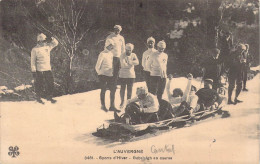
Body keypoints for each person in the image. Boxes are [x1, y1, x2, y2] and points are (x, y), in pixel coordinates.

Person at [31, 33, 59, 104]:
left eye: (45, 41)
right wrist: (34, 71)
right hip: (39, 70)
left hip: (48, 69)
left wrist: (52, 38)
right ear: (39, 41)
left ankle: (49, 97)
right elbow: (33, 61)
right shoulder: (34, 50)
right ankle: (38, 98)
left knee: (50, 83)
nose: (44, 42)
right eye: (43, 41)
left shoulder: (47, 47)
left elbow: (56, 43)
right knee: (39, 84)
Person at [95, 39, 120, 112]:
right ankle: (103, 105)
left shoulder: (111, 54)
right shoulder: (102, 54)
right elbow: (97, 66)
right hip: (103, 75)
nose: (111, 47)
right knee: (103, 90)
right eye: (110, 46)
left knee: (113, 90)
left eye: (112, 46)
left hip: (110, 75)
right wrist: (100, 73)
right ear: (107, 45)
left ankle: (112, 106)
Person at [119, 43, 139, 108]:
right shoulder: (122, 55)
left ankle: (128, 102)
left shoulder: (133, 55)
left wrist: (129, 62)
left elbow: (137, 62)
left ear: (132, 50)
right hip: (123, 75)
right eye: (127, 50)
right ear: (125, 49)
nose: (128, 51)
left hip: (131, 75)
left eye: (130, 50)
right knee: (122, 89)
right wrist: (131, 64)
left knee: (129, 89)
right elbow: (123, 65)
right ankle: (122, 101)